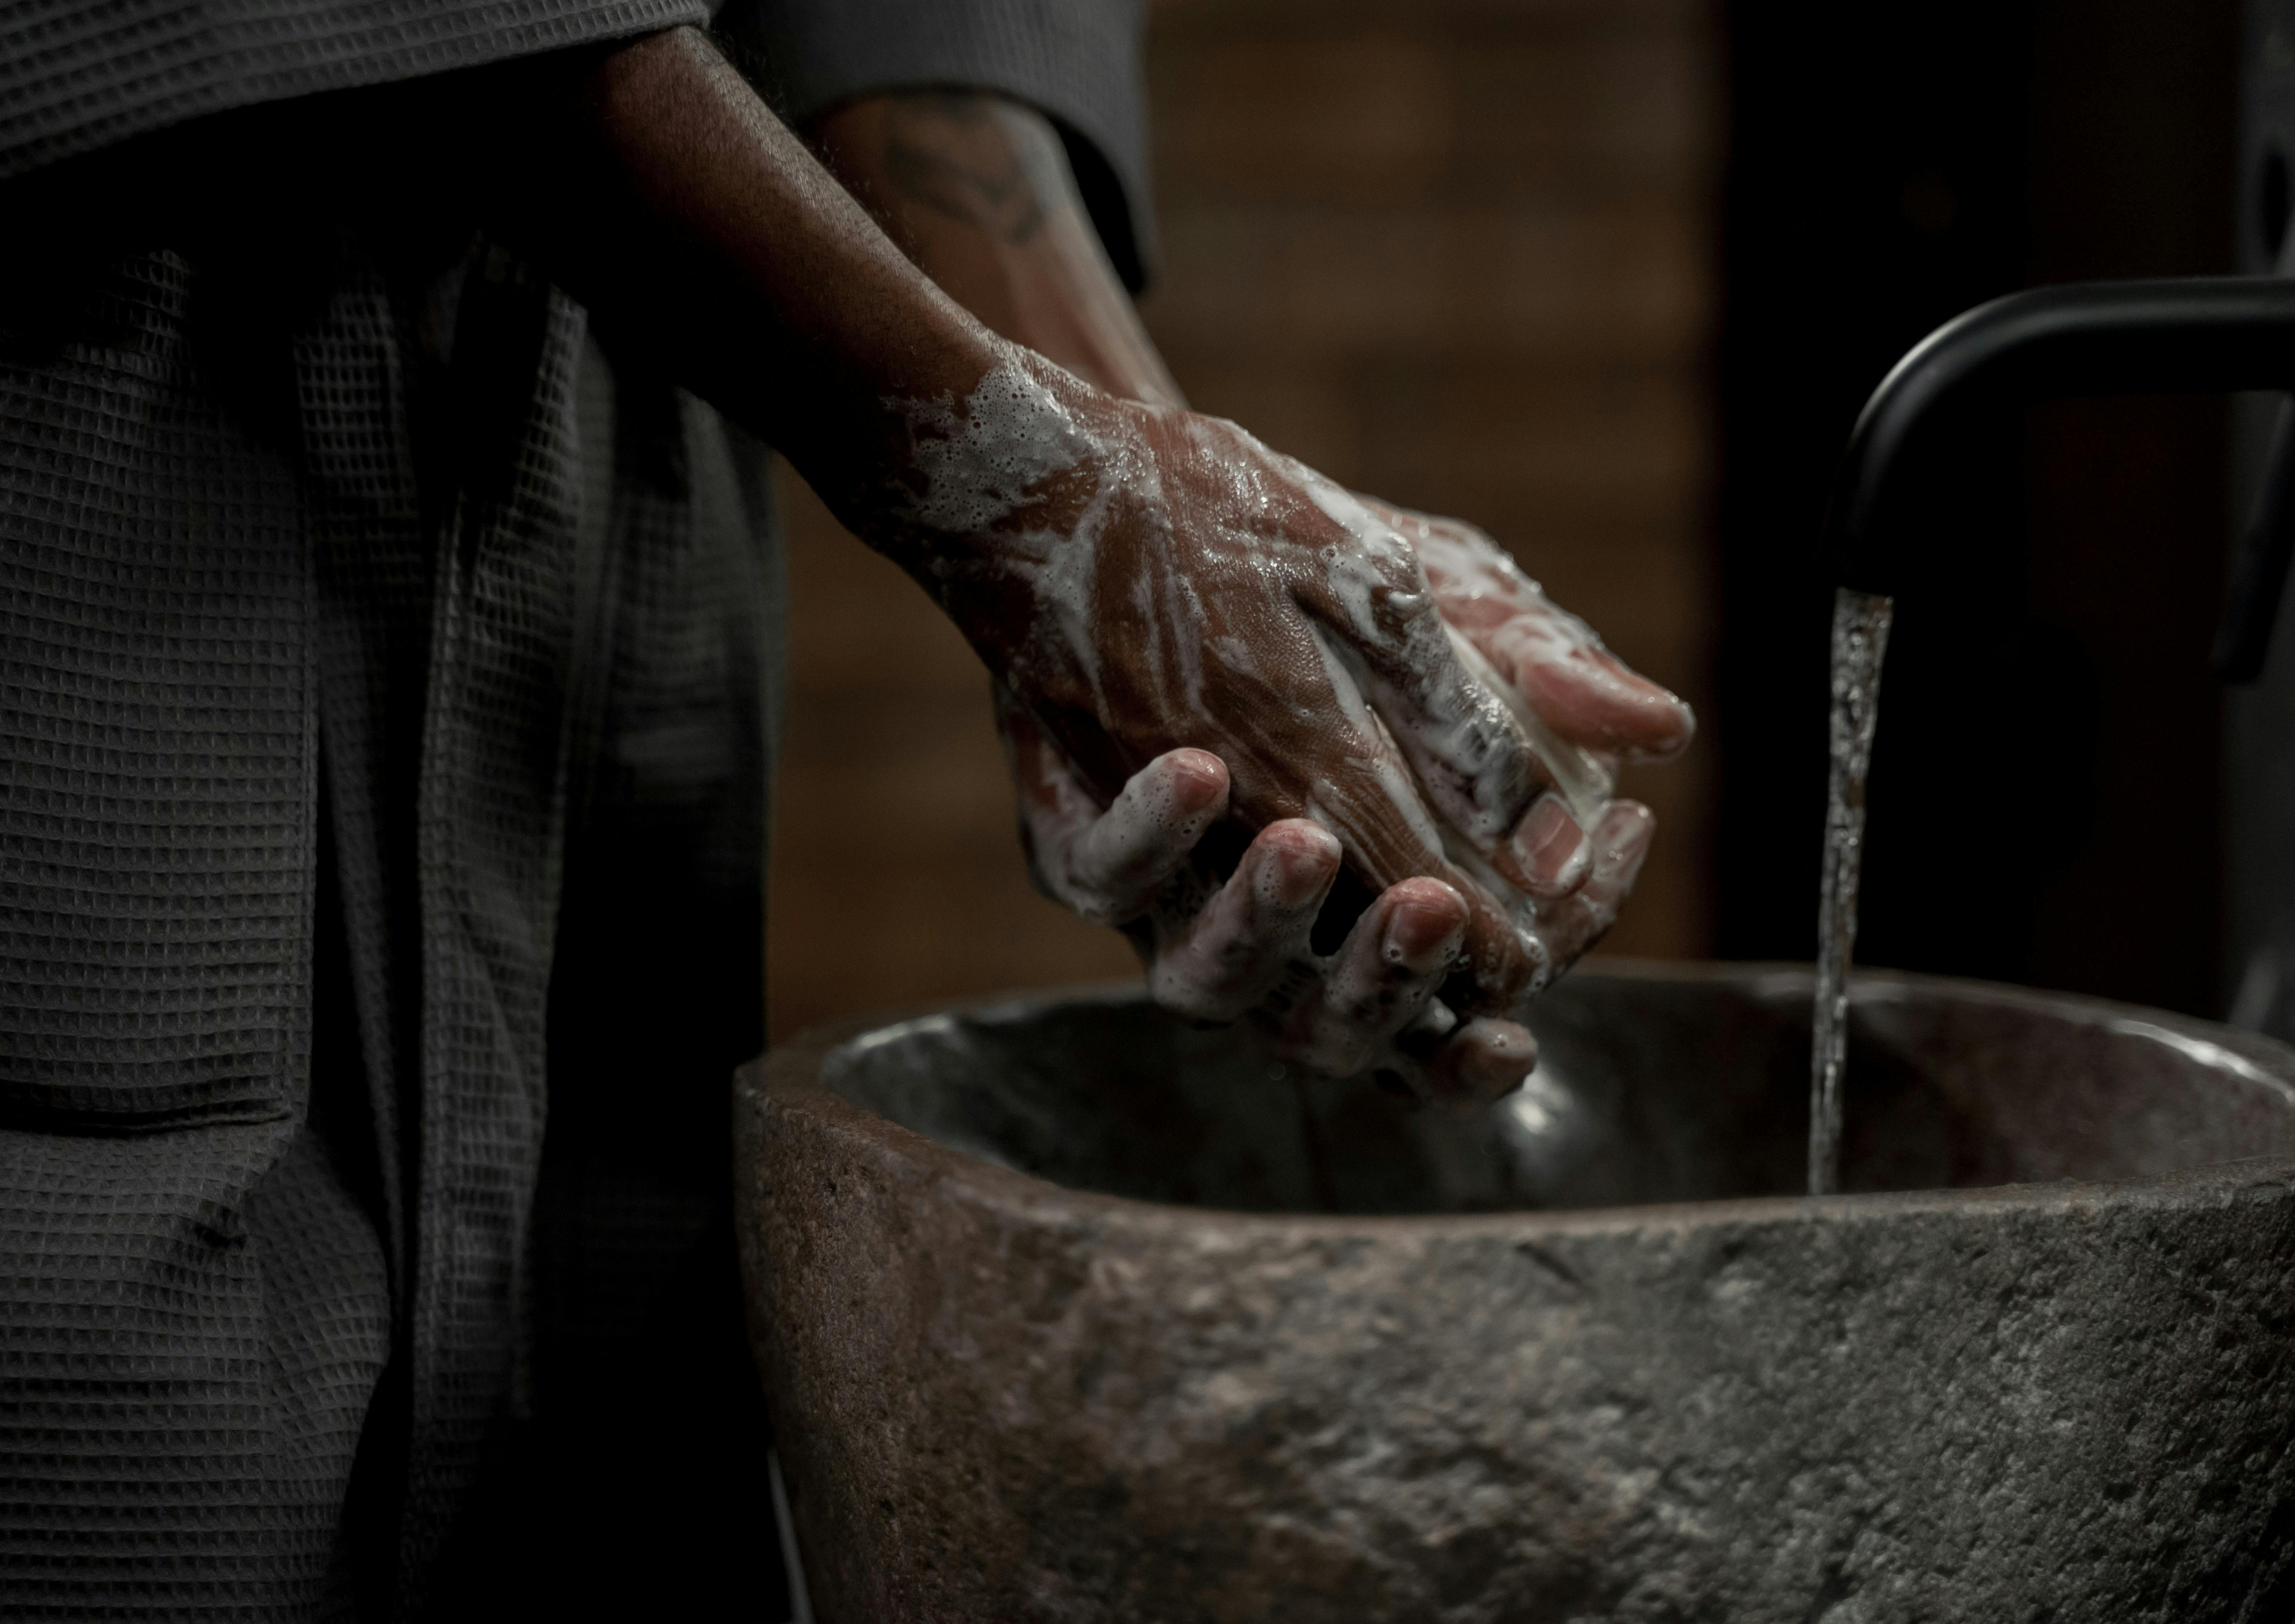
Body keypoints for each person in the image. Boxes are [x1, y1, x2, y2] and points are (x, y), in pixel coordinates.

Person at [0, 1, 1693, 1615]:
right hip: (128, 406)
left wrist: (1145, 511)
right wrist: (1012, 489)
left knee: (592, 1439)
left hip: (610, 452)